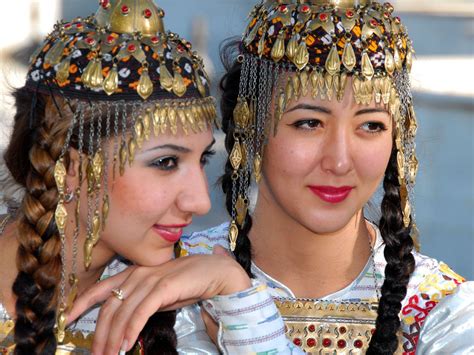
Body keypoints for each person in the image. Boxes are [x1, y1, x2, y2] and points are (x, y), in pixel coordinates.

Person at [67, 0, 473, 354]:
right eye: (309, 123)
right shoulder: (153, 280)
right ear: (249, 127)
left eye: (370, 126)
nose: (340, 161)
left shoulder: (443, 311)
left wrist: (239, 303)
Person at [0, 0, 229, 353]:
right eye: (166, 162)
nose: (200, 202)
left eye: (203, 159)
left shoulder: (182, 308)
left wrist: (235, 289)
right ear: (73, 168)